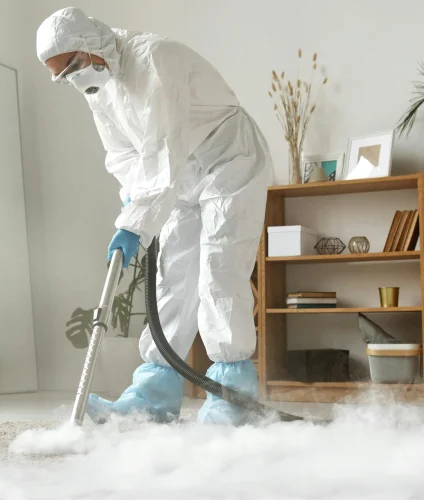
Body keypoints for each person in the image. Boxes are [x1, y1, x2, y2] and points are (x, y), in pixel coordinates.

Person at [37, 7, 271, 425]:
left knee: (219, 271)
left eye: (73, 65)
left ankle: (233, 393)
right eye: (62, 75)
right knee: (172, 276)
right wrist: (132, 201)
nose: (73, 77)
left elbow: (164, 149)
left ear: (91, 45)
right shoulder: (98, 88)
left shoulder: (154, 60)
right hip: (180, 178)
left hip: (228, 158)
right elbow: (122, 153)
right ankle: (154, 391)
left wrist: (133, 223)